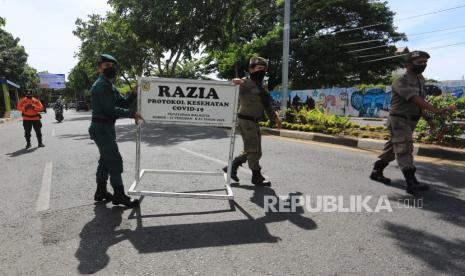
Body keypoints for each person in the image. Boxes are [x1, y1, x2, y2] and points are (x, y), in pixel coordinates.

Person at [370, 50, 456, 194]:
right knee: (405, 149)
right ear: (408, 64)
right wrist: (439, 111)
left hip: (410, 121)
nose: (423, 65)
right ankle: (411, 182)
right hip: (399, 120)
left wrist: (429, 120)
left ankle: (376, 172)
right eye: (419, 62)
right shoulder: (400, 81)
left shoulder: (420, 79)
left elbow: (419, 105)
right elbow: (416, 100)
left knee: (392, 150)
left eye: (425, 62)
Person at [89, 53, 143, 207]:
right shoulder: (100, 86)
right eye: (106, 66)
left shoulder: (110, 85)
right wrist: (132, 114)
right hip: (101, 128)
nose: (110, 68)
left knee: (105, 160)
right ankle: (119, 195)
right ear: (99, 68)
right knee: (114, 160)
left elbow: (123, 104)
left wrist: (133, 94)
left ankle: (100, 191)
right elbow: (110, 109)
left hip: (106, 127)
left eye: (112, 66)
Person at [223, 57, 282, 186]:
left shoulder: (262, 87)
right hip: (245, 120)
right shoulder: (245, 83)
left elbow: (267, 106)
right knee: (254, 149)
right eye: (258, 68)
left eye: (263, 69)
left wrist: (275, 119)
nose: (262, 71)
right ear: (251, 70)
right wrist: (233, 81)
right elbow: (229, 87)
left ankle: (232, 166)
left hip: (254, 122)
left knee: (253, 149)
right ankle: (256, 176)